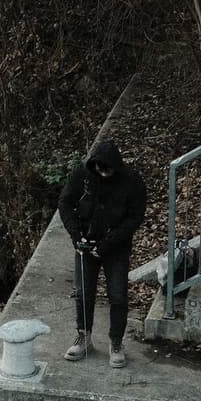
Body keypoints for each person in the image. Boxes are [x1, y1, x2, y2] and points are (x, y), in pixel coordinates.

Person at [57, 139, 146, 367]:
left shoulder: (132, 182)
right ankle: (83, 336)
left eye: (107, 171)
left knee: (118, 295)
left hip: (116, 247)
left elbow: (134, 218)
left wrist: (107, 244)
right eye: (99, 170)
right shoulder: (82, 174)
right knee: (83, 292)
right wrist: (76, 235)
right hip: (85, 242)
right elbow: (65, 203)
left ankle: (116, 343)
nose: (102, 174)